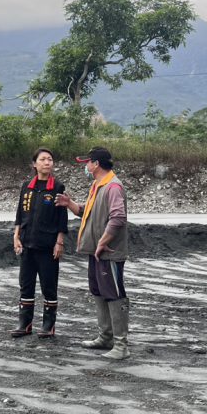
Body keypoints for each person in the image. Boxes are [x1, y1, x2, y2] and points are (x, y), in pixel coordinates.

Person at [55, 146, 130, 359]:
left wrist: (103, 242)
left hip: (108, 252)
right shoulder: (98, 185)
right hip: (96, 251)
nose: (86, 166)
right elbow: (86, 212)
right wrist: (69, 203)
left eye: (87, 162)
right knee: (98, 291)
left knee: (114, 294)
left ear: (96, 164)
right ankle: (106, 337)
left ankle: (121, 346)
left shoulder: (113, 187)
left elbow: (118, 218)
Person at [11, 147, 69, 338]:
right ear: (34, 164)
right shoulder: (26, 186)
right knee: (26, 285)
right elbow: (20, 213)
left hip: (48, 246)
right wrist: (16, 236)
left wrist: (59, 242)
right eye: (43, 159)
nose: (47, 162)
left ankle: (48, 326)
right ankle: (25, 324)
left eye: (50, 159)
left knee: (49, 286)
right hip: (27, 244)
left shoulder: (57, 187)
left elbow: (62, 218)